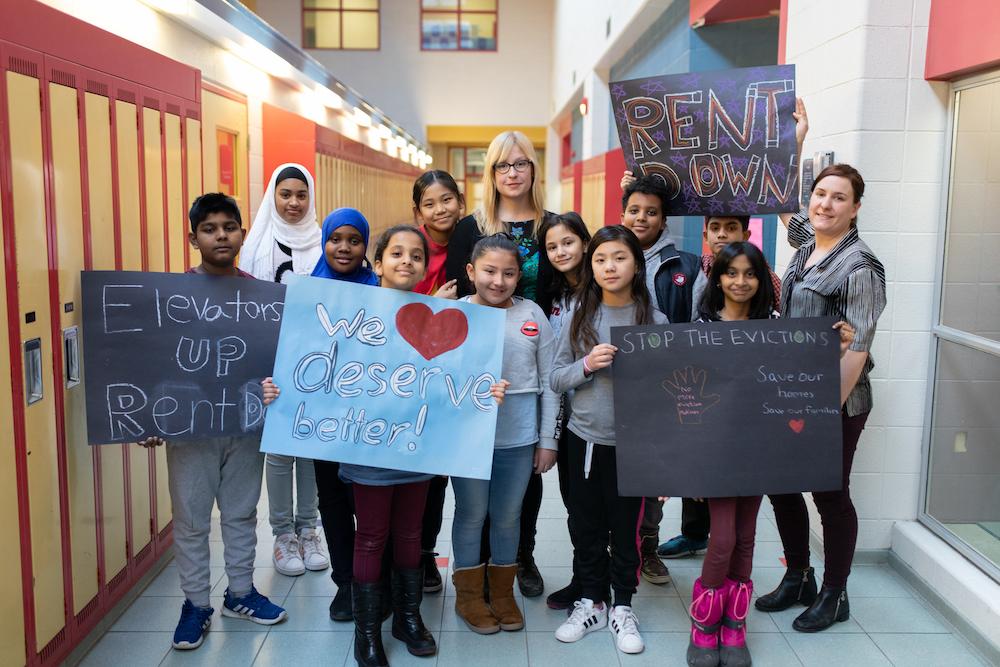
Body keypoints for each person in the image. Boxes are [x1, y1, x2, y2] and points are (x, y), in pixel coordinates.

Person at [683, 242, 855, 667]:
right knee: (721, 538)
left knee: (745, 537)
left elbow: (800, 376)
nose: (740, 282)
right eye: (731, 273)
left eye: (750, 274)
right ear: (717, 278)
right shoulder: (699, 325)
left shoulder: (774, 325)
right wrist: (691, 469)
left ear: (762, 281)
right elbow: (685, 398)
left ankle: (733, 624)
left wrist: (837, 348)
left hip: (759, 453)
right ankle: (704, 624)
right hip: (716, 454)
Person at [144, 193, 287, 651]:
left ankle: (241, 594)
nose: (221, 235)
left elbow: (277, 360)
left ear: (243, 233)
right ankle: (194, 604)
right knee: (190, 520)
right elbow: (149, 363)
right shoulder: (172, 297)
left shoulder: (262, 297)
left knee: (243, 513)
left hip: (245, 425)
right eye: (209, 229)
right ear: (193, 238)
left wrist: (275, 389)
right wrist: (145, 415)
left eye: (229, 227)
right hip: (188, 429)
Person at [754, 163, 887, 633]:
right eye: (820, 194)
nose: (824, 204)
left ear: (855, 208)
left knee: (830, 494)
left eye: (838, 198)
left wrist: (823, 409)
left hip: (837, 401)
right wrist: (797, 141)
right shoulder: (809, 243)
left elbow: (859, 346)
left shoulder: (861, 266)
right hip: (790, 392)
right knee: (781, 484)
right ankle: (799, 576)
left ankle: (835, 594)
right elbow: (788, 208)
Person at [550, 225, 669, 655]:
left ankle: (623, 606)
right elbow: (555, 377)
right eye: (600, 259)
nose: (609, 266)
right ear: (591, 265)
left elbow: (668, 393)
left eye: (618, 257)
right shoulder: (578, 315)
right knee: (586, 527)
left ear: (636, 263)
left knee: (626, 531)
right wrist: (586, 364)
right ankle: (591, 602)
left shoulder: (655, 321)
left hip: (634, 447)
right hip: (584, 442)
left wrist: (663, 459)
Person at [444, 130, 553, 597]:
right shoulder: (472, 227)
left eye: (520, 163)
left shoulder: (552, 225)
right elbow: (454, 304)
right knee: (474, 499)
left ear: (533, 169)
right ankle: (476, 572)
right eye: (502, 166)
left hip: (533, 348)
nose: (512, 173)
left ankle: (518, 558)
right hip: (478, 375)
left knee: (520, 480)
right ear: (491, 174)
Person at [451, 234, 558, 634]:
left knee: (508, 516)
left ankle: (502, 594)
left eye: (508, 273)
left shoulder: (532, 314)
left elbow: (549, 382)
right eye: (490, 271)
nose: (498, 281)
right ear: (471, 271)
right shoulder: (456, 313)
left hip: (518, 439)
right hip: (468, 443)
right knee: (471, 515)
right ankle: (468, 597)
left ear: (519, 276)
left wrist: (547, 440)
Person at [240, 163, 328, 577]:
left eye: (301, 195)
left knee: (310, 448)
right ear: (273, 197)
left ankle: (309, 528)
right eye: (285, 194)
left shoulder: (322, 240)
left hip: (317, 361)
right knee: (279, 450)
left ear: (311, 198)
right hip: (272, 359)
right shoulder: (258, 244)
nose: (293, 203)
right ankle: (282, 534)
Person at [618, 175, 706, 585]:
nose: (641, 218)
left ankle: (648, 550)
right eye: (634, 210)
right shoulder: (608, 256)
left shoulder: (686, 266)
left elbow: (702, 326)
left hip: (663, 387)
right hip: (614, 383)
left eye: (651, 212)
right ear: (623, 213)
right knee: (612, 474)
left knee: (653, 477)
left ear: (663, 218)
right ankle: (617, 549)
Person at [308, 208, 380, 622]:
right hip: (321, 422)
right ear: (325, 241)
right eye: (337, 239)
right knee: (332, 501)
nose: (344, 247)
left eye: (354, 240)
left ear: (365, 245)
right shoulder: (308, 294)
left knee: (366, 502)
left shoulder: (378, 290)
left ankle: (372, 580)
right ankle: (346, 583)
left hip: (366, 421)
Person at [536, 212, 593, 611]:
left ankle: (597, 582)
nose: (561, 251)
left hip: (599, 416)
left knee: (595, 506)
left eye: (568, 242)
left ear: (585, 244)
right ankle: (584, 577)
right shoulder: (553, 298)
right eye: (552, 246)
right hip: (568, 414)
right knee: (575, 503)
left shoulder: (603, 291)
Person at [410, 170, 462, 594]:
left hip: (450, 378)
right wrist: (433, 304)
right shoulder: (410, 248)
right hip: (408, 377)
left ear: (460, 202)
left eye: (447, 199)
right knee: (410, 474)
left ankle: (426, 555)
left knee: (437, 478)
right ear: (418, 212)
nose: (440, 209)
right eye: (430, 203)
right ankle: (405, 555)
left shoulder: (469, 244)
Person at [700, 215, 782, 311]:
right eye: (715, 228)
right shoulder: (697, 268)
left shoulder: (761, 271)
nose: (721, 234)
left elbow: (784, 308)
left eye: (731, 228)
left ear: (745, 236)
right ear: (706, 236)